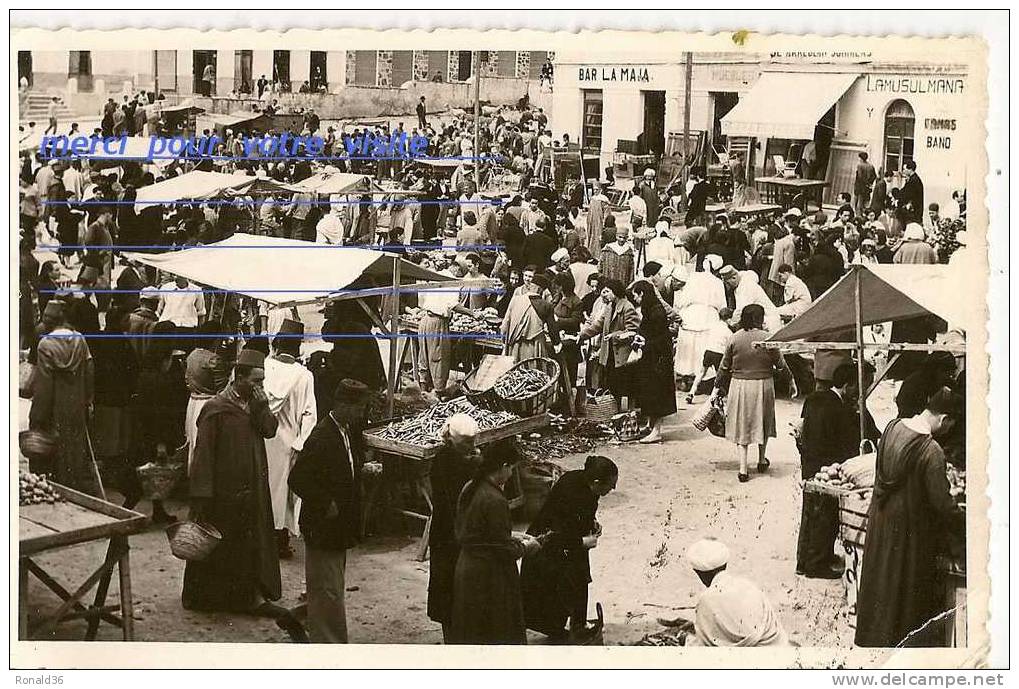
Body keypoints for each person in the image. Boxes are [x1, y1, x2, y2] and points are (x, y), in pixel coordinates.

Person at [183, 348, 307, 641]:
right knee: (221, 547)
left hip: (250, 489)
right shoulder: (216, 408)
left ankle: (247, 597)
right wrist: (202, 497)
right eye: (255, 381)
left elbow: (269, 431)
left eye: (262, 381)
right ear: (238, 377)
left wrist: (263, 407)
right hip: (222, 494)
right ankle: (211, 598)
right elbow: (203, 457)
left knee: (246, 546)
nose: (260, 387)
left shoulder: (253, 404)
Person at [855, 388, 965, 647]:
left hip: (881, 524)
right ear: (944, 419)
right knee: (903, 593)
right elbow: (941, 504)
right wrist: (963, 517)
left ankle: (874, 640)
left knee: (881, 584)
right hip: (909, 534)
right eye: (950, 424)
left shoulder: (892, 428)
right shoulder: (931, 451)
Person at [288, 378, 371, 643]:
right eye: (359, 409)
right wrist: (325, 502)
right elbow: (297, 478)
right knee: (328, 589)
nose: (362, 414)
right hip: (322, 526)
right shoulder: (323, 436)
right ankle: (329, 645)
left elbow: (340, 470)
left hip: (337, 528)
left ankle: (302, 618)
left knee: (329, 586)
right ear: (345, 406)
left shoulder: (344, 432)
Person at [448, 442, 539, 645]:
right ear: (504, 466)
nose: (510, 474)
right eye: (512, 469)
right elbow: (503, 549)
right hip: (489, 575)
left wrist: (511, 534)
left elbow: (477, 530)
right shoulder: (494, 499)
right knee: (497, 632)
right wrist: (526, 547)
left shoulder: (471, 486)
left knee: (473, 631)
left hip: (467, 567)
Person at [521, 455, 618, 642]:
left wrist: (593, 524)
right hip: (545, 547)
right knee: (558, 590)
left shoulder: (587, 485)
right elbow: (557, 534)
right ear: (597, 482)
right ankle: (561, 629)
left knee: (580, 577)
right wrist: (583, 542)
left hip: (567, 545)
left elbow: (581, 517)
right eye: (610, 486)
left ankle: (577, 625)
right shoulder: (571, 491)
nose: (612, 490)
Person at [713, 304, 796, 483]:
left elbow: (724, 366)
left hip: (740, 385)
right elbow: (781, 364)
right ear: (760, 318)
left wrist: (717, 385)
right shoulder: (768, 338)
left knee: (742, 423)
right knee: (762, 420)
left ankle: (743, 468)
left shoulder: (734, 338)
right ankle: (761, 459)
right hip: (763, 384)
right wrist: (791, 380)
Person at [29, 300, 100, 496]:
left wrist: (38, 415)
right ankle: (74, 487)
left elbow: (44, 384)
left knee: (53, 448)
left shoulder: (46, 344)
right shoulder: (79, 339)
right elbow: (89, 369)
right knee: (75, 448)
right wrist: (88, 398)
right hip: (76, 404)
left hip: (55, 407)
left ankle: (58, 490)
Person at [795, 364, 859, 578]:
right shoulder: (840, 409)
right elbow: (846, 444)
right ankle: (816, 564)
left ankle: (803, 561)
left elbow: (801, 428)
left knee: (809, 514)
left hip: (810, 464)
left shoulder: (813, 398)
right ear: (848, 385)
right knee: (825, 516)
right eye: (856, 386)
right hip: (826, 467)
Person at [263, 320, 318, 559]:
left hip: (265, 436)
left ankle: (264, 537)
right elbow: (309, 414)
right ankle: (280, 540)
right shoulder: (304, 376)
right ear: (297, 348)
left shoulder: (266, 367)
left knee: (265, 487)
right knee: (284, 493)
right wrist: (300, 444)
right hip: (288, 439)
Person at [427, 414, 480, 642]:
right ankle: (452, 637)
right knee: (447, 587)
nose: (472, 446)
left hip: (459, 532)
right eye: (467, 442)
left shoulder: (461, 458)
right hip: (448, 533)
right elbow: (451, 501)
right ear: (453, 440)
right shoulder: (443, 461)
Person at [682, 538, 789, 647]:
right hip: (775, 647)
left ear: (699, 573)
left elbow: (709, 642)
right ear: (725, 564)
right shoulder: (748, 585)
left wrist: (684, 638)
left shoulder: (706, 599)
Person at [578, 279, 640, 407]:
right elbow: (597, 326)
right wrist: (581, 335)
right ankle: (613, 412)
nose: (603, 294)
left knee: (625, 386)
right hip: (609, 354)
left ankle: (628, 414)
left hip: (622, 355)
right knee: (611, 385)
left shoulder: (627, 307)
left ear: (615, 292)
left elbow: (632, 331)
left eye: (607, 291)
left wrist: (615, 335)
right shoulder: (609, 307)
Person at [629, 281, 677, 443]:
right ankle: (650, 425)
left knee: (657, 394)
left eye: (636, 294)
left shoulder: (656, 311)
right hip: (651, 357)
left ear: (642, 294)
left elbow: (663, 339)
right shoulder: (650, 308)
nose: (634, 298)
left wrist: (645, 343)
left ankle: (657, 431)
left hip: (658, 360)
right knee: (649, 392)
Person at [184, 320, 233, 473]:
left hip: (193, 402)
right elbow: (222, 388)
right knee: (207, 445)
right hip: (208, 404)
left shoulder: (192, 355)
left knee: (194, 442)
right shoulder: (213, 359)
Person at [674, 254, 728, 385]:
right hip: (708, 315)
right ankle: (701, 377)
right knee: (701, 347)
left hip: (690, 313)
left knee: (688, 347)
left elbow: (682, 299)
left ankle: (685, 377)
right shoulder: (718, 283)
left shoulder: (693, 277)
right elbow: (722, 305)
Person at [501, 272, 559, 362]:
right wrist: (557, 344)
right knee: (533, 372)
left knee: (515, 372)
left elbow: (505, 325)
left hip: (515, 346)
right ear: (541, 290)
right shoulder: (546, 305)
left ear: (531, 286)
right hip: (535, 347)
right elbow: (552, 329)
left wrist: (505, 342)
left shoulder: (515, 300)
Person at [718, 265, 782, 333]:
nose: (728, 286)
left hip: (769, 322)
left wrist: (730, 323)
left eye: (728, 283)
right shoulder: (740, 283)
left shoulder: (746, 287)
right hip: (762, 320)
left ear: (734, 278)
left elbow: (742, 310)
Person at [585, 181, 609, 256]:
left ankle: (598, 255)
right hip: (592, 222)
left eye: (597, 189)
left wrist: (605, 222)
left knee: (599, 238)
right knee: (591, 237)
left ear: (600, 190)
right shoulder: (592, 199)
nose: (595, 191)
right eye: (594, 189)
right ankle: (591, 254)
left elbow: (607, 212)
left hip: (599, 222)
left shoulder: (603, 200)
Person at [898, 160, 925, 224]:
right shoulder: (913, 179)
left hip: (913, 213)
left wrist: (897, 197)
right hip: (914, 212)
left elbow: (906, 195)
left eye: (904, 169)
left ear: (910, 169)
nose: (903, 171)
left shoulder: (913, 181)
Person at [853, 152, 877, 216]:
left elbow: (860, 177)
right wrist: (869, 183)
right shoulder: (871, 166)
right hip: (867, 189)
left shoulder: (860, 165)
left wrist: (864, 184)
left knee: (858, 205)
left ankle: (858, 218)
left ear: (861, 158)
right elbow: (874, 176)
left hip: (860, 188)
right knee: (865, 205)